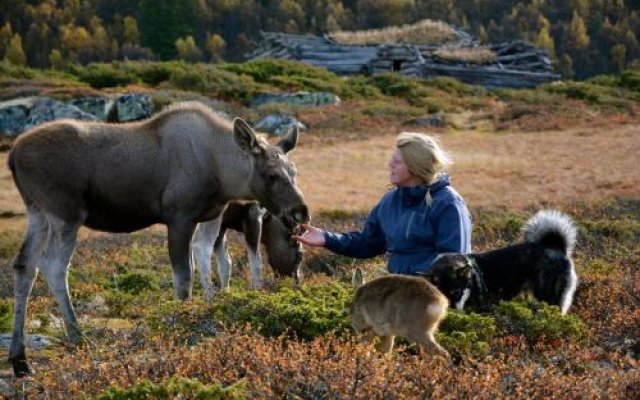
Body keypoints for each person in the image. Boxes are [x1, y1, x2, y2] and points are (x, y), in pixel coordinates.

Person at [293, 132, 471, 275]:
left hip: (439, 296)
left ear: (415, 166)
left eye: (397, 162)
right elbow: (367, 244)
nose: (389, 165)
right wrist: (326, 238)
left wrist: (413, 278)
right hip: (400, 292)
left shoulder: (447, 203)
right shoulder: (390, 201)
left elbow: (453, 261)